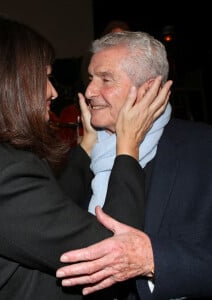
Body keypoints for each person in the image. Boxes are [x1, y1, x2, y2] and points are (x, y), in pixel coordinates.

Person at [0, 16, 171, 300]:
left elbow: (44, 209)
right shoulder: (2, 172)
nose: (53, 92)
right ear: (13, 81)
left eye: (106, 79)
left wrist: (86, 148)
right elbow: (112, 255)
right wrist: (128, 147)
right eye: (44, 77)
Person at [56, 30, 212, 300]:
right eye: (91, 78)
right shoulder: (82, 152)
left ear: (149, 88)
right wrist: (84, 150)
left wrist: (154, 260)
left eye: (106, 79)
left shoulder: (203, 150)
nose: (90, 91)